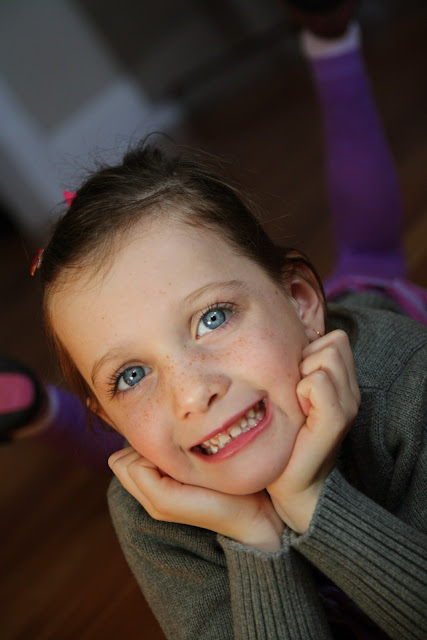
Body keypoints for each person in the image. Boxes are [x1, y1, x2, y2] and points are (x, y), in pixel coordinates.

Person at [1, 1, 426, 638]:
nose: (192, 391)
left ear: (300, 302)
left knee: (370, 251)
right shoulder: (150, 517)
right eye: (132, 374)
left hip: (366, 319)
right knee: (156, 444)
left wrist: (312, 502)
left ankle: (332, 46)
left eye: (212, 318)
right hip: (225, 399)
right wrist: (255, 537)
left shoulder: (409, 382)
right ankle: (54, 410)